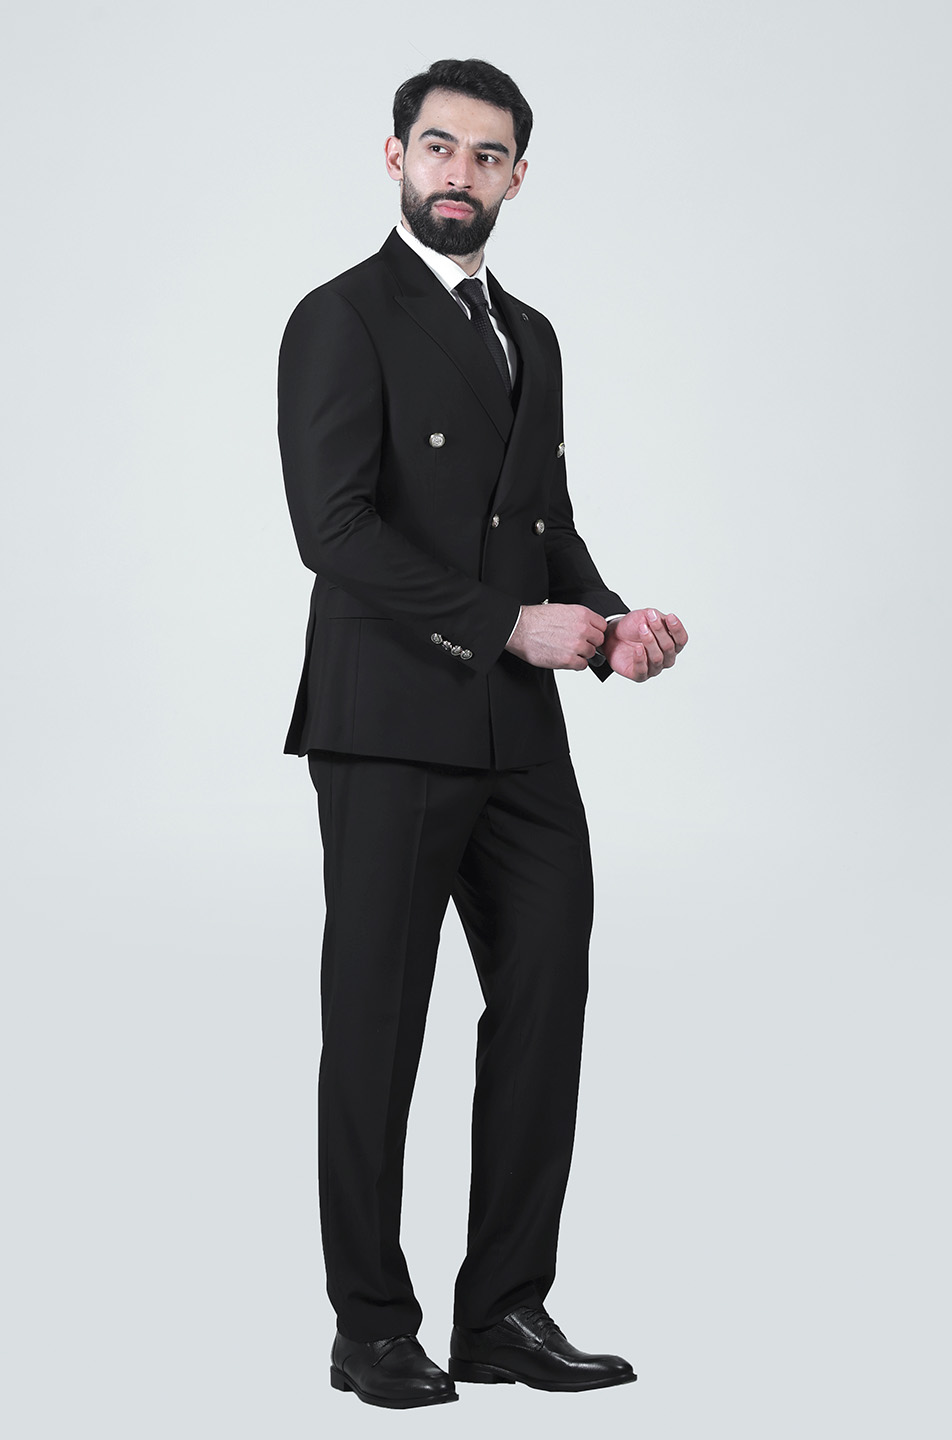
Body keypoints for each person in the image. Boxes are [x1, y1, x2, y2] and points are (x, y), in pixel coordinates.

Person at [277, 57, 688, 1410]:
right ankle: (369, 1326)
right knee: (377, 1023)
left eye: (488, 154)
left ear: (518, 176)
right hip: (390, 722)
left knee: (546, 1002)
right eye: (440, 146)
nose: (461, 172)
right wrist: (508, 625)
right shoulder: (341, 317)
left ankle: (505, 1308)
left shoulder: (532, 333)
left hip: (518, 733)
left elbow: (539, 523)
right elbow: (334, 533)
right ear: (395, 155)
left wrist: (610, 623)